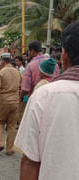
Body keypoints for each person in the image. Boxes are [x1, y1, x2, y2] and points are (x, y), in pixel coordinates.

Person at [15, 21, 79, 180]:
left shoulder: (43, 95)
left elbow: (30, 162)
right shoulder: (52, 66)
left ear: (64, 55)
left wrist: (22, 99)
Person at [0, 57, 22, 156]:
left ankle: (0, 143)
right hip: (15, 101)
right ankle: (9, 149)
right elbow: (21, 87)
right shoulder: (18, 73)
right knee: (12, 126)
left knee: (0, 122)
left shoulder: (1, 72)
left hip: (4, 100)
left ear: (4, 62)